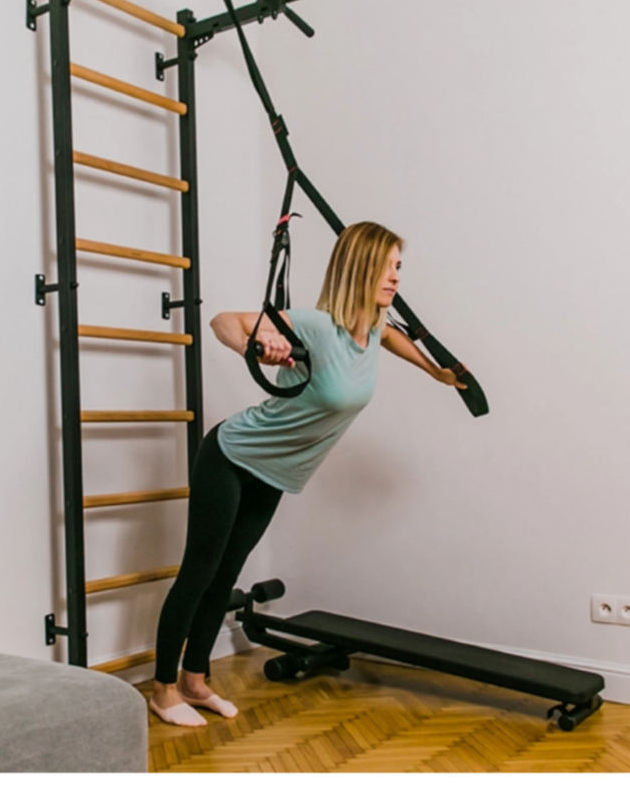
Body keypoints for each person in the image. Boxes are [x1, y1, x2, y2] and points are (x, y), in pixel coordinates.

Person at [148, 221, 468, 726]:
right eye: (386, 267)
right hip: (231, 457)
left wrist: (436, 372)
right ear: (359, 269)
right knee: (200, 573)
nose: (395, 278)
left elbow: (394, 339)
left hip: (275, 474)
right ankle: (163, 690)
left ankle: (195, 680)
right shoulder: (316, 326)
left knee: (227, 575)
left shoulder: (374, 329)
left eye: (398, 267)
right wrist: (257, 347)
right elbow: (225, 322)